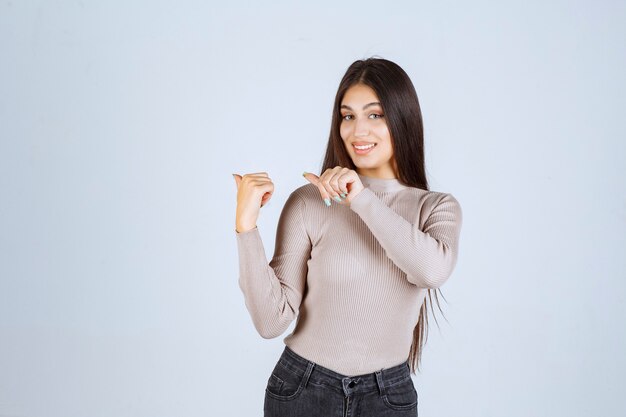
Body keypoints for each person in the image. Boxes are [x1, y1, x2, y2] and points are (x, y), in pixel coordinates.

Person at [232, 57, 462, 417]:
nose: (358, 130)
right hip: (302, 389)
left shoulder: (435, 208)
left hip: (388, 396)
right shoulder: (310, 201)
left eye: (375, 115)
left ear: (403, 118)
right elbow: (271, 321)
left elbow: (430, 271)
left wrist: (360, 198)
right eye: (347, 115)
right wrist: (246, 229)